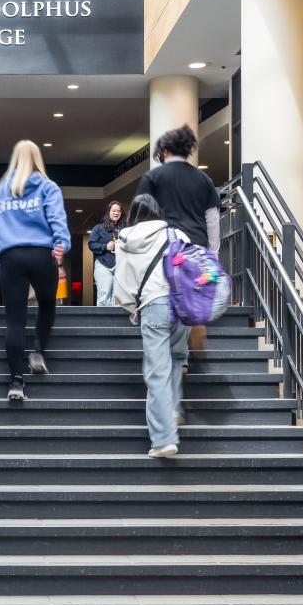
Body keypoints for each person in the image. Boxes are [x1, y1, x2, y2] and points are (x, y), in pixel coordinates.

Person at [0, 140, 71, 401]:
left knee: (15, 320)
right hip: (42, 255)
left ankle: (16, 383)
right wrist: (61, 244)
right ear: (37, 158)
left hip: (11, 258)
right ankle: (38, 351)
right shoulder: (47, 186)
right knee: (47, 304)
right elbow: (57, 219)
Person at [115, 194, 191, 458]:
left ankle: (163, 439)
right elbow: (191, 266)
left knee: (157, 371)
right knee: (177, 357)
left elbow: (122, 283)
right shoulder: (174, 233)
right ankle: (172, 407)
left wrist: (130, 307)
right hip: (181, 305)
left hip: (153, 305)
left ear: (133, 214)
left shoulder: (124, 239)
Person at [136, 124, 221, 349]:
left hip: (162, 250)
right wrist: (212, 255)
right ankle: (184, 345)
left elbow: (140, 218)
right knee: (188, 297)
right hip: (195, 249)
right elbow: (212, 220)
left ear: (164, 151)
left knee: (164, 299)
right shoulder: (204, 180)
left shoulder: (152, 177)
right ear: (187, 150)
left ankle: (173, 351)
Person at [88, 200, 125, 306]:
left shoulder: (124, 230)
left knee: (116, 299)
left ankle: (113, 323)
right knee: (104, 297)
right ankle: (101, 323)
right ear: (108, 212)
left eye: (119, 211)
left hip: (119, 267)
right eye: (114, 210)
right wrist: (105, 246)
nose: (116, 213)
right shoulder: (99, 228)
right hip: (103, 266)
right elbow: (91, 244)